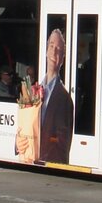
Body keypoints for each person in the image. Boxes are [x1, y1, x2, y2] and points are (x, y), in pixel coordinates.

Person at [38, 28, 74, 164]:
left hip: (46, 166)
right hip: (29, 162)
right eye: (52, 46)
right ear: (46, 51)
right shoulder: (33, 91)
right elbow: (24, 129)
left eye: (58, 49)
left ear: (62, 59)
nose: (54, 52)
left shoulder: (65, 100)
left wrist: (42, 160)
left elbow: (62, 145)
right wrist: (19, 142)